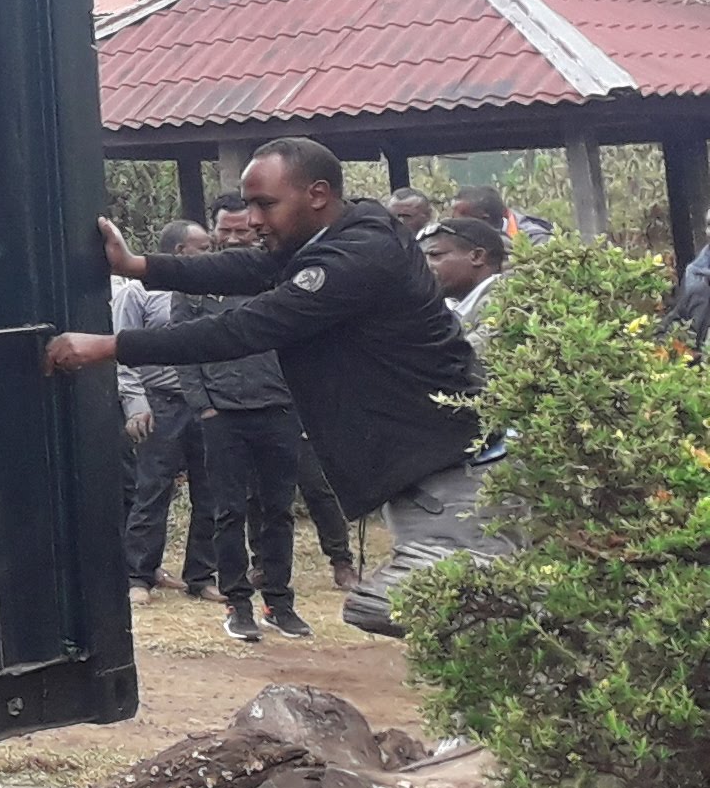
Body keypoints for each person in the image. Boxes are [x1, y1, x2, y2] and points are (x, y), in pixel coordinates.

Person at [47, 134, 495, 638]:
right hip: (423, 469)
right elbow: (253, 267)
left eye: (265, 204)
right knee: (443, 624)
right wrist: (140, 266)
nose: (254, 219)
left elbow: (246, 327)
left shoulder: (359, 256)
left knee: (452, 618)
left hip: (450, 474)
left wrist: (108, 347)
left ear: (318, 194)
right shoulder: (346, 230)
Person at [178, 201, 321, 645]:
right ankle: (237, 604)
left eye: (245, 230)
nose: (237, 238)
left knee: (278, 511)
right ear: (216, 231)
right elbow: (182, 348)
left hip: (279, 409)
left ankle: (279, 602)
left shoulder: (282, 275)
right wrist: (204, 405)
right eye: (228, 231)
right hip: (222, 414)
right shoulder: (196, 286)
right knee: (228, 511)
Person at [116, 223, 199, 588]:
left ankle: (201, 574)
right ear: (181, 251)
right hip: (159, 404)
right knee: (152, 489)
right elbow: (121, 351)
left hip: (202, 402)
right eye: (204, 247)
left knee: (211, 491)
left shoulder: (205, 292)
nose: (212, 252)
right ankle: (139, 574)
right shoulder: (138, 293)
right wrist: (135, 404)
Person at [424, 215, 507, 338]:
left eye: (435, 255)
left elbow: (466, 353)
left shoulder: (503, 304)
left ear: (477, 257)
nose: (425, 265)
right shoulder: (445, 306)